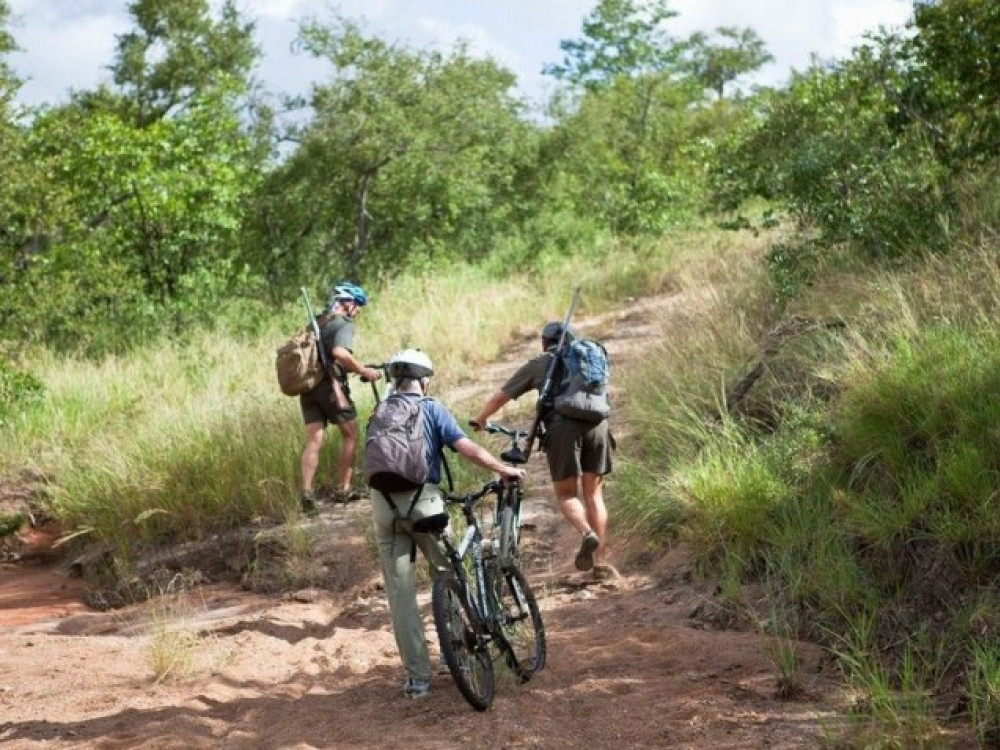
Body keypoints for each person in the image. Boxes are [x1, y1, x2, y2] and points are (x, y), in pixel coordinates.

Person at [370, 348, 525, 700]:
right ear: (424, 380)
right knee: (450, 573)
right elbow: (465, 447)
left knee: (400, 595)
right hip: (424, 504)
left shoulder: (380, 410)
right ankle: (456, 652)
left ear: (395, 380)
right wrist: (503, 469)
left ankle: (417, 680)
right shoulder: (431, 408)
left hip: (384, 508)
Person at [473, 321, 616, 579]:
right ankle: (600, 564)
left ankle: (587, 534)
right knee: (594, 495)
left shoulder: (541, 363)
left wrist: (481, 419)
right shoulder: (589, 360)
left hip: (563, 428)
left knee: (567, 495)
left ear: (544, 342)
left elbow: (499, 398)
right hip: (599, 425)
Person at [299, 282, 382, 515]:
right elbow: (340, 353)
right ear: (348, 303)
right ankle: (343, 489)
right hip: (331, 388)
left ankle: (307, 493)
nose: (358, 311)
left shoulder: (316, 322)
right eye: (358, 306)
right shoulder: (342, 323)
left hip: (309, 389)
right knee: (351, 434)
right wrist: (363, 370)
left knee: (314, 441)